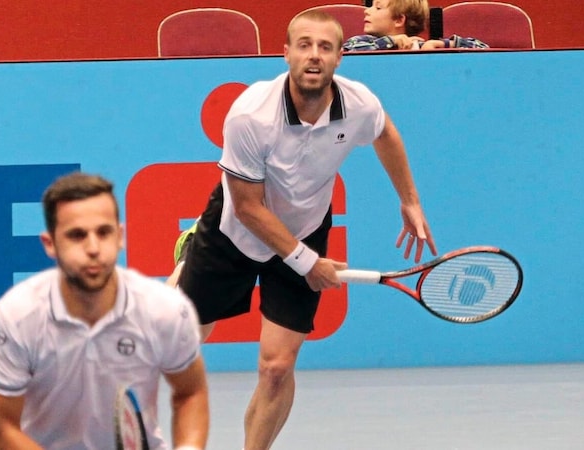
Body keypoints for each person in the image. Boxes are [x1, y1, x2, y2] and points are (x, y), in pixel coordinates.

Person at [172, 10, 437, 450]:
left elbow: (385, 132)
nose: (314, 55)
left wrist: (408, 199)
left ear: (339, 59)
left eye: (326, 47)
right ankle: (189, 255)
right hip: (233, 231)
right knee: (178, 346)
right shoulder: (251, 115)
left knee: (277, 367)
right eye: (304, 45)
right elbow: (248, 207)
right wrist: (306, 262)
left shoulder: (358, 103)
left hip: (306, 223)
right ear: (287, 54)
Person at [0, 172, 209, 450]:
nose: (93, 248)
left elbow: (190, 392)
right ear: (50, 243)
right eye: (77, 235)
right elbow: (3, 427)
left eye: (103, 232)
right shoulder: (16, 316)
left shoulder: (164, 309)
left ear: (120, 236)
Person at [343, 0, 488, 51]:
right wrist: (389, 42)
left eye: (378, 8)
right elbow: (346, 53)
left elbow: (483, 48)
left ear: (399, 20)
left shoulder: (423, 47)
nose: (367, 11)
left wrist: (443, 44)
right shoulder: (362, 43)